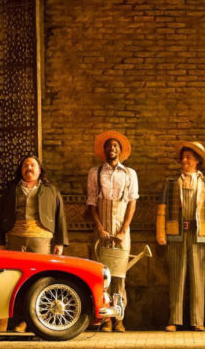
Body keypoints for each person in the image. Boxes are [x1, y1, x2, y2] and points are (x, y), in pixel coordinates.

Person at [0, 155, 68, 333]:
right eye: (25, 165)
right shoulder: (11, 189)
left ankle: (36, 321)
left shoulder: (50, 190)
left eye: (33, 165)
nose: (29, 168)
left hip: (41, 239)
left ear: (40, 169)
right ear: (21, 170)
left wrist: (60, 242)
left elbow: (60, 216)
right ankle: (18, 321)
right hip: (15, 237)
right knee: (15, 280)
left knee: (38, 280)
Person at [156, 141, 205, 332]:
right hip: (176, 235)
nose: (184, 160)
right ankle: (174, 319)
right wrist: (161, 233)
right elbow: (161, 211)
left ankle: (197, 320)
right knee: (176, 278)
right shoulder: (170, 183)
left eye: (189, 157)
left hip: (199, 236)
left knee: (198, 278)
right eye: (183, 157)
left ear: (197, 160)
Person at [85, 131, 138, 333]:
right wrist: (99, 228)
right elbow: (92, 203)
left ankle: (119, 319)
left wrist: (124, 230)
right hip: (101, 228)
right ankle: (105, 319)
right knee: (101, 276)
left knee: (119, 276)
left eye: (115, 146)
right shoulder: (95, 172)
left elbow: (132, 203)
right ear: (104, 151)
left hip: (121, 230)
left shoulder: (130, 173)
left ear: (120, 150)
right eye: (108, 146)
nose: (112, 149)